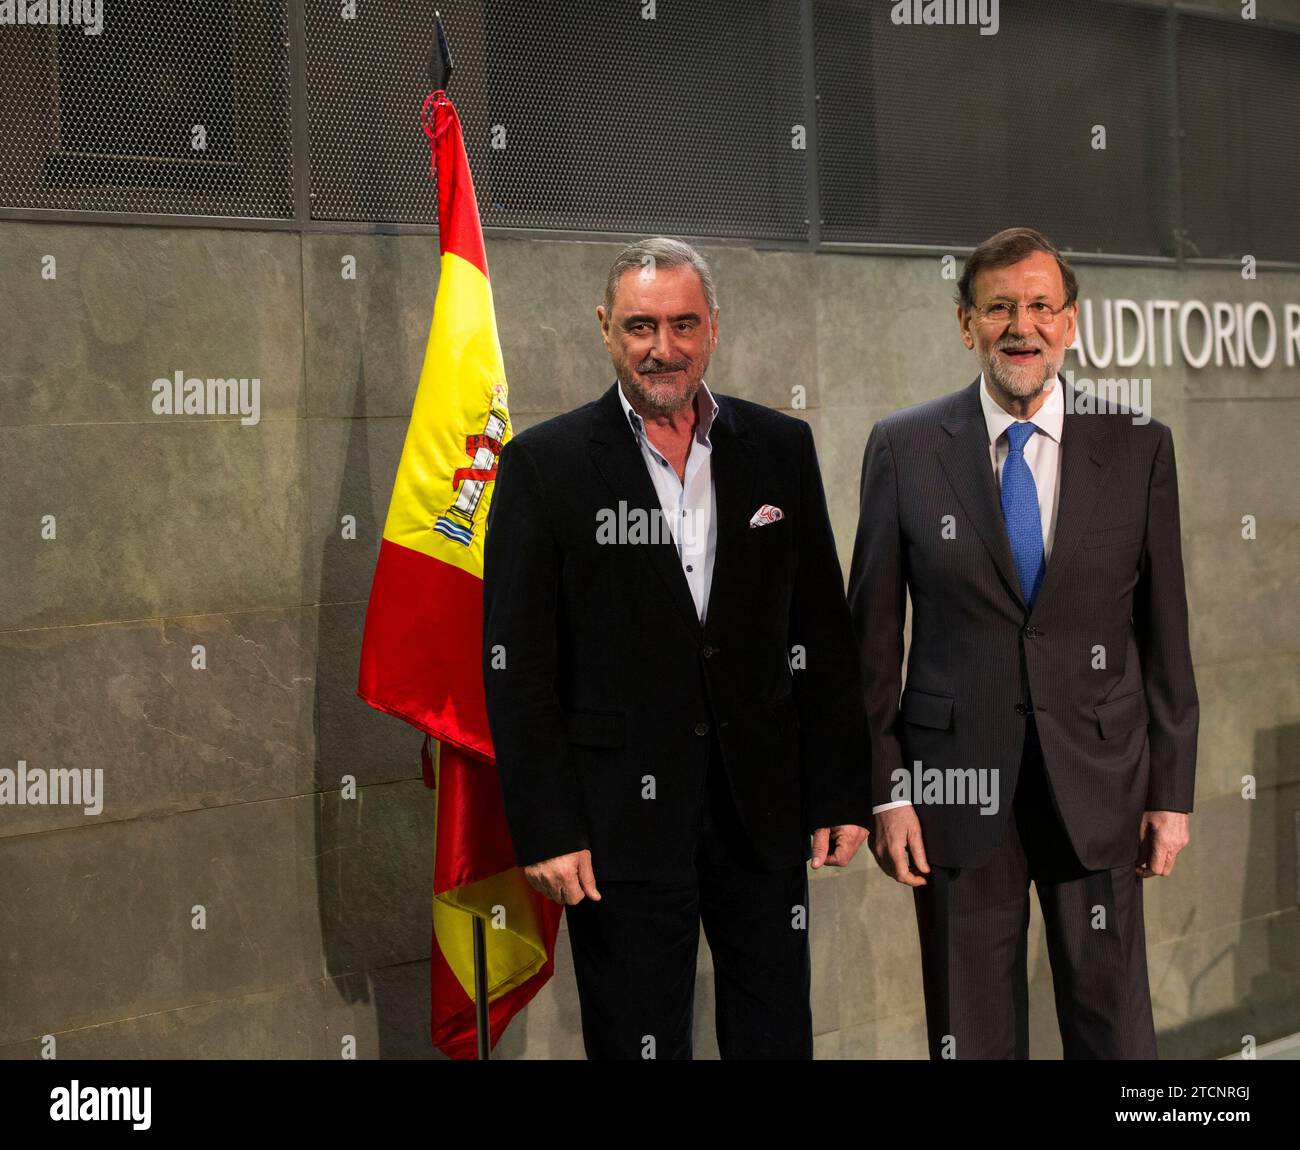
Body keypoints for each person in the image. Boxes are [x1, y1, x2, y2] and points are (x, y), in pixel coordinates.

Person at [482, 236, 870, 1059]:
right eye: (641, 326)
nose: (664, 348)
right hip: (617, 828)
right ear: (605, 329)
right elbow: (518, 670)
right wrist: (547, 827)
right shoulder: (544, 467)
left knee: (775, 1040)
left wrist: (838, 789)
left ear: (713, 329)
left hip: (761, 817)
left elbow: (821, 636)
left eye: (684, 324)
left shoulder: (779, 449)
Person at [848, 227, 1198, 1059]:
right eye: (998, 306)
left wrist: (1172, 793)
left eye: (1040, 306)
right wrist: (887, 791)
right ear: (965, 324)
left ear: (1070, 323)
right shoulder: (902, 447)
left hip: (1104, 783)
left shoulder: (1139, 444)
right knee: (970, 1037)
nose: (1021, 325)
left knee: (1115, 1033)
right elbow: (868, 645)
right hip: (954, 792)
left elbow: (1167, 635)